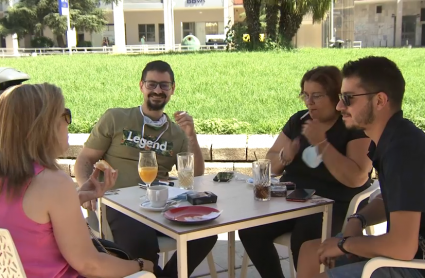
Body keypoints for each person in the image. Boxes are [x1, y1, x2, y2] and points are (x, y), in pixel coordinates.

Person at [75, 60, 217, 278]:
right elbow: (85, 159)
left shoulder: (177, 133)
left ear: (172, 89)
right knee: (142, 242)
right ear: (141, 86)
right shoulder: (116, 118)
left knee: (206, 231)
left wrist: (191, 135)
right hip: (120, 203)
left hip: (161, 202)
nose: (158, 90)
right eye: (151, 84)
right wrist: (86, 189)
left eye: (164, 85)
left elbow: (195, 175)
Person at [0, 83, 154, 277]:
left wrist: (77, 197)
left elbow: (30, 220)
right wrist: (141, 265)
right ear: (46, 125)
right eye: (65, 115)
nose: (68, 123)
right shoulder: (52, 183)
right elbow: (91, 265)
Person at [296, 56, 425, 278]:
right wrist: (359, 220)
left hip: (416, 263)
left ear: (380, 101)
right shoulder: (393, 139)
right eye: (339, 98)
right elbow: (389, 198)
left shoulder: (403, 150)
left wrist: (346, 244)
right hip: (407, 254)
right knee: (311, 251)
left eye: (348, 98)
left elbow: (403, 246)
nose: (339, 106)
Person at [238, 66, 373, 278]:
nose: (308, 102)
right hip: (292, 197)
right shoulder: (298, 121)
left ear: (336, 97)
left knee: (304, 236)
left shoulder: (351, 125)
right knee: (251, 229)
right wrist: (285, 156)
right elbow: (270, 166)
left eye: (317, 96)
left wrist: (322, 142)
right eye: (305, 95)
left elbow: (356, 177)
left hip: (334, 202)